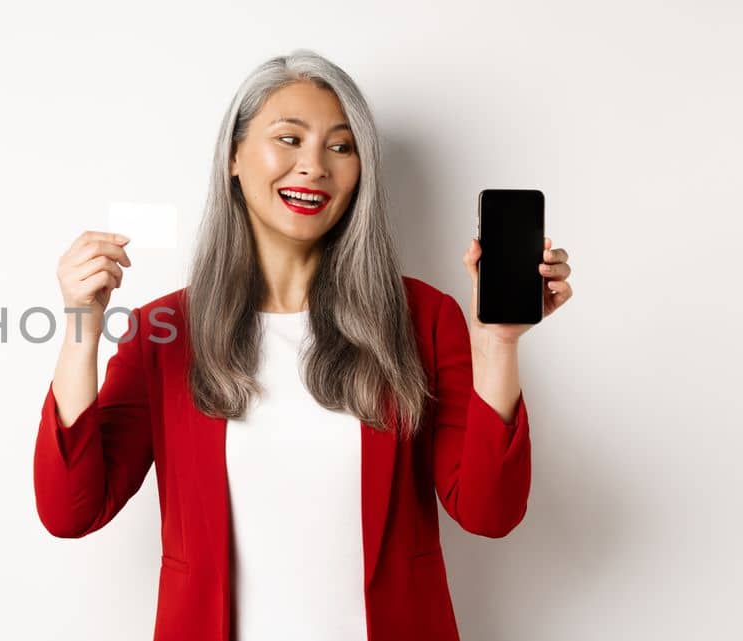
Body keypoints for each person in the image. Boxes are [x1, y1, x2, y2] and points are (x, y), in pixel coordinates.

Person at [32, 49, 574, 641]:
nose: (313, 166)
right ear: (234, 157)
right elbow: (72, 511)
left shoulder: (422, 318)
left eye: (340, 147)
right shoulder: (163, 332)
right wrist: (81, 326)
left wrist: (498, 343)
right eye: (289, 139)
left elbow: (489, 513)